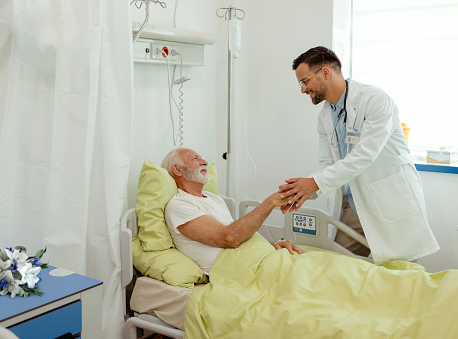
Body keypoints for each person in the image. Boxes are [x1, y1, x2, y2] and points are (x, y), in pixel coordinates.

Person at [278, 46, 439, 264]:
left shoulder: (375, 100)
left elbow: (365, 155)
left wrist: (314, 183)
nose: (303, 90)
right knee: (341, 267)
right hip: (353, 205)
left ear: (325, 72)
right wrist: (303, 191)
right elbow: (327, 163)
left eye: (304, 82)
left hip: (388, 200)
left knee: (400, 276)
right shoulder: (324, 118)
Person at [161, 147, 304, 274]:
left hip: (256, 257)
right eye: (195, 158)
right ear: (177, 169)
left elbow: (239, 235)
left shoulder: (214, 198)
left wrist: (272, 244)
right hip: (237, 268)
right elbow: (229, 239)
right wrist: (270, 202)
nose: (204, 162)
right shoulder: (179, 205)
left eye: (202, 157)